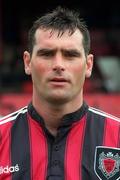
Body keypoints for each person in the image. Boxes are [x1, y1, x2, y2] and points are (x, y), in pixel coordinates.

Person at [0, 6, 120, 180]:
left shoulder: (116, 137)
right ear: (28, 62)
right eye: (47, 54)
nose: (58, 64)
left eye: (70, 55)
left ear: (88, 65)